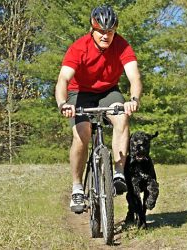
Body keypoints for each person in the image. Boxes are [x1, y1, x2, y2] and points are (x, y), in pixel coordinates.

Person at [55, 5, 142, 213]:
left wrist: (134, 99)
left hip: (108, 92)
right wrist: (62, 104)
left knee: (121, 118)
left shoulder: (121, 45)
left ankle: (118, 173)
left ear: (115, 31)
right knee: (82, 134)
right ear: (92, 29)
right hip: (79, 93)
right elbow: (63, 79)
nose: (105, 36)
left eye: (110, 32)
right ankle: (77, 187)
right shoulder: (79, 47)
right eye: (101, 31)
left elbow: (134, 76)